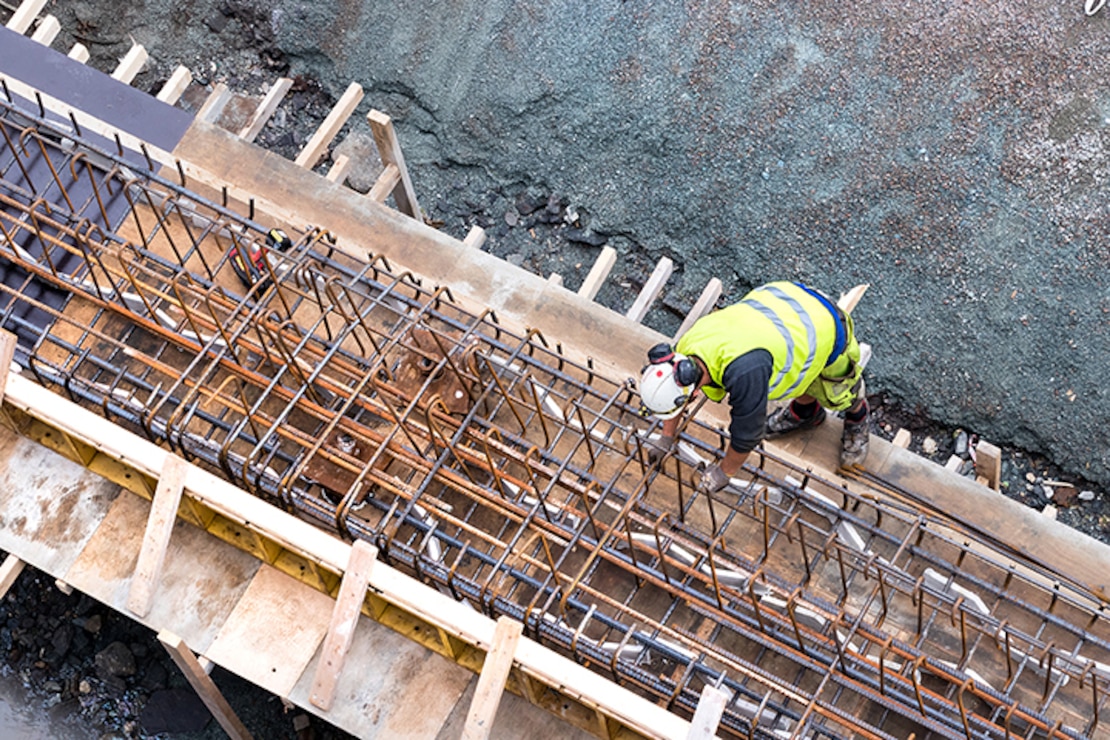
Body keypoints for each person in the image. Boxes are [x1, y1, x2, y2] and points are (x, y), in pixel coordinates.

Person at [638, 281, 869, 495]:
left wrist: (724, 472)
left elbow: (746, 436)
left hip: (823, 325)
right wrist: (666, 437)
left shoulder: (745, 372)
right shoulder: (682, 354)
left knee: (840, 392)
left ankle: (858, 417)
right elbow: (676, 392)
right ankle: (806, 414)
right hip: (782, 301)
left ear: (695, 392)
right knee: (802, 374)